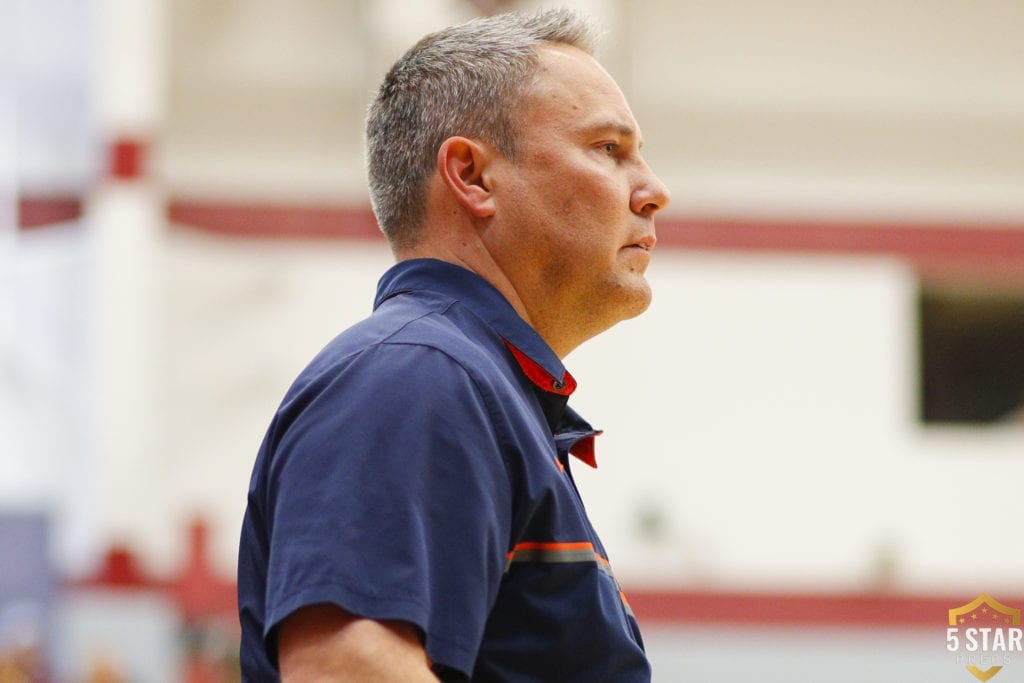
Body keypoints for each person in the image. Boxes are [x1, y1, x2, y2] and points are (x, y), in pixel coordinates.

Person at [237, 7, 670, 681]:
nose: (654, 192)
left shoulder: (476, 391)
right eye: (608, 149)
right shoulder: (414, 375)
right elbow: (344, 669)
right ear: (470, 175)